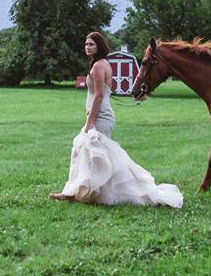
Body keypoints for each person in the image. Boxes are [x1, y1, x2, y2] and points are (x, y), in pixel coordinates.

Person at [50, 32, 183, 207]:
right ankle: (78, 191)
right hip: (103, 115)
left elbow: (98, 96)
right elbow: (105, 92)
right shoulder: (104, 64)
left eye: (91, 44)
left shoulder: (98, 66)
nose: (87, 47)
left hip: (100, 117)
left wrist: (90, 121)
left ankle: (77, 192)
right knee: (92, 154)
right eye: (86, 44)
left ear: (99, 46)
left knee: (88, 150)